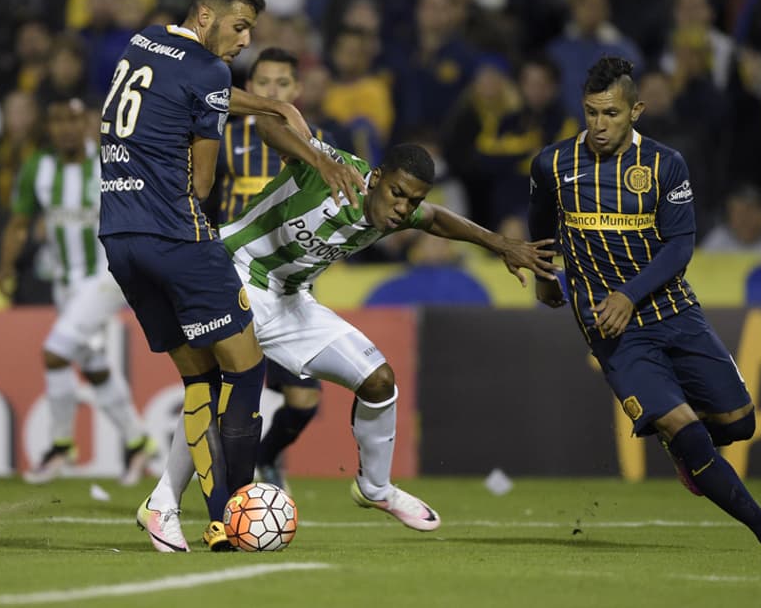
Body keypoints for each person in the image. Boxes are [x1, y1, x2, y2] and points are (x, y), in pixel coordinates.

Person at [139, 134, 558, 551]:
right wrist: (302, 140)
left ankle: (375, 488)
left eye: (410, 200)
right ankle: (163, 504)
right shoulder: (330, 171)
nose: (402, 209)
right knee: (213, 388)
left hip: (290, 300)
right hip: (234, 275)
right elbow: (272, 129)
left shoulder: (397, 210)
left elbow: (434, 218)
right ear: (375, 178)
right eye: (397, 193)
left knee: (379, 381)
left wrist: (500, 243)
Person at [98, 0, 365, 553]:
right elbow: (201, 177)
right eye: (240, 27)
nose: (244, 41)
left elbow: (200, 86)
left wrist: (266, 106)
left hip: (119, 237)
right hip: (179, 238)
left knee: (199, 376)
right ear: (205, 17)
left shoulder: (143, 40)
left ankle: (165, 512)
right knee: (245, 372)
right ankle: (231, 514)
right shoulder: (210, 71)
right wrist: (254, 114)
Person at [527, 56, 761, 555]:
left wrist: (630, 294)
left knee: (739, 423)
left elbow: (679, 245)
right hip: (609, 326)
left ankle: (686, 448)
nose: (599, 125)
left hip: (673, 310)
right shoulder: (553, 164)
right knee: (684, 428)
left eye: (611, 113)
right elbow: (541, 224)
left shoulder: (665, 164)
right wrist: (545, 279)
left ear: (637, 111)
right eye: (591, 112)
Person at [0, 97, 152, 485]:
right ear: (48, 127)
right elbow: (19, 222)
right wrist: (4, 264)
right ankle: (138, 442)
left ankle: (61, 443)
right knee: (94, 366)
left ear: (87, 123)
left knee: (55, 352)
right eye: (58, 119)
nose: (66, 127)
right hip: (65, 283)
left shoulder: (108, 163)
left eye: (73, 119)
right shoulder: (39, 167)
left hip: (105, 276)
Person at [211, 46, 337, 493]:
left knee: (303, 401)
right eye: (262, 83)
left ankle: (265, 459)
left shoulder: (316, 143)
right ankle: (223, 489)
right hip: (234, 278)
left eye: (282, 85)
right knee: (227, 392)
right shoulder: (220, 137)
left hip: (288, 287)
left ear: (297, 90)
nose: (271, 91)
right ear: (249, 88)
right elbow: (203, 198)